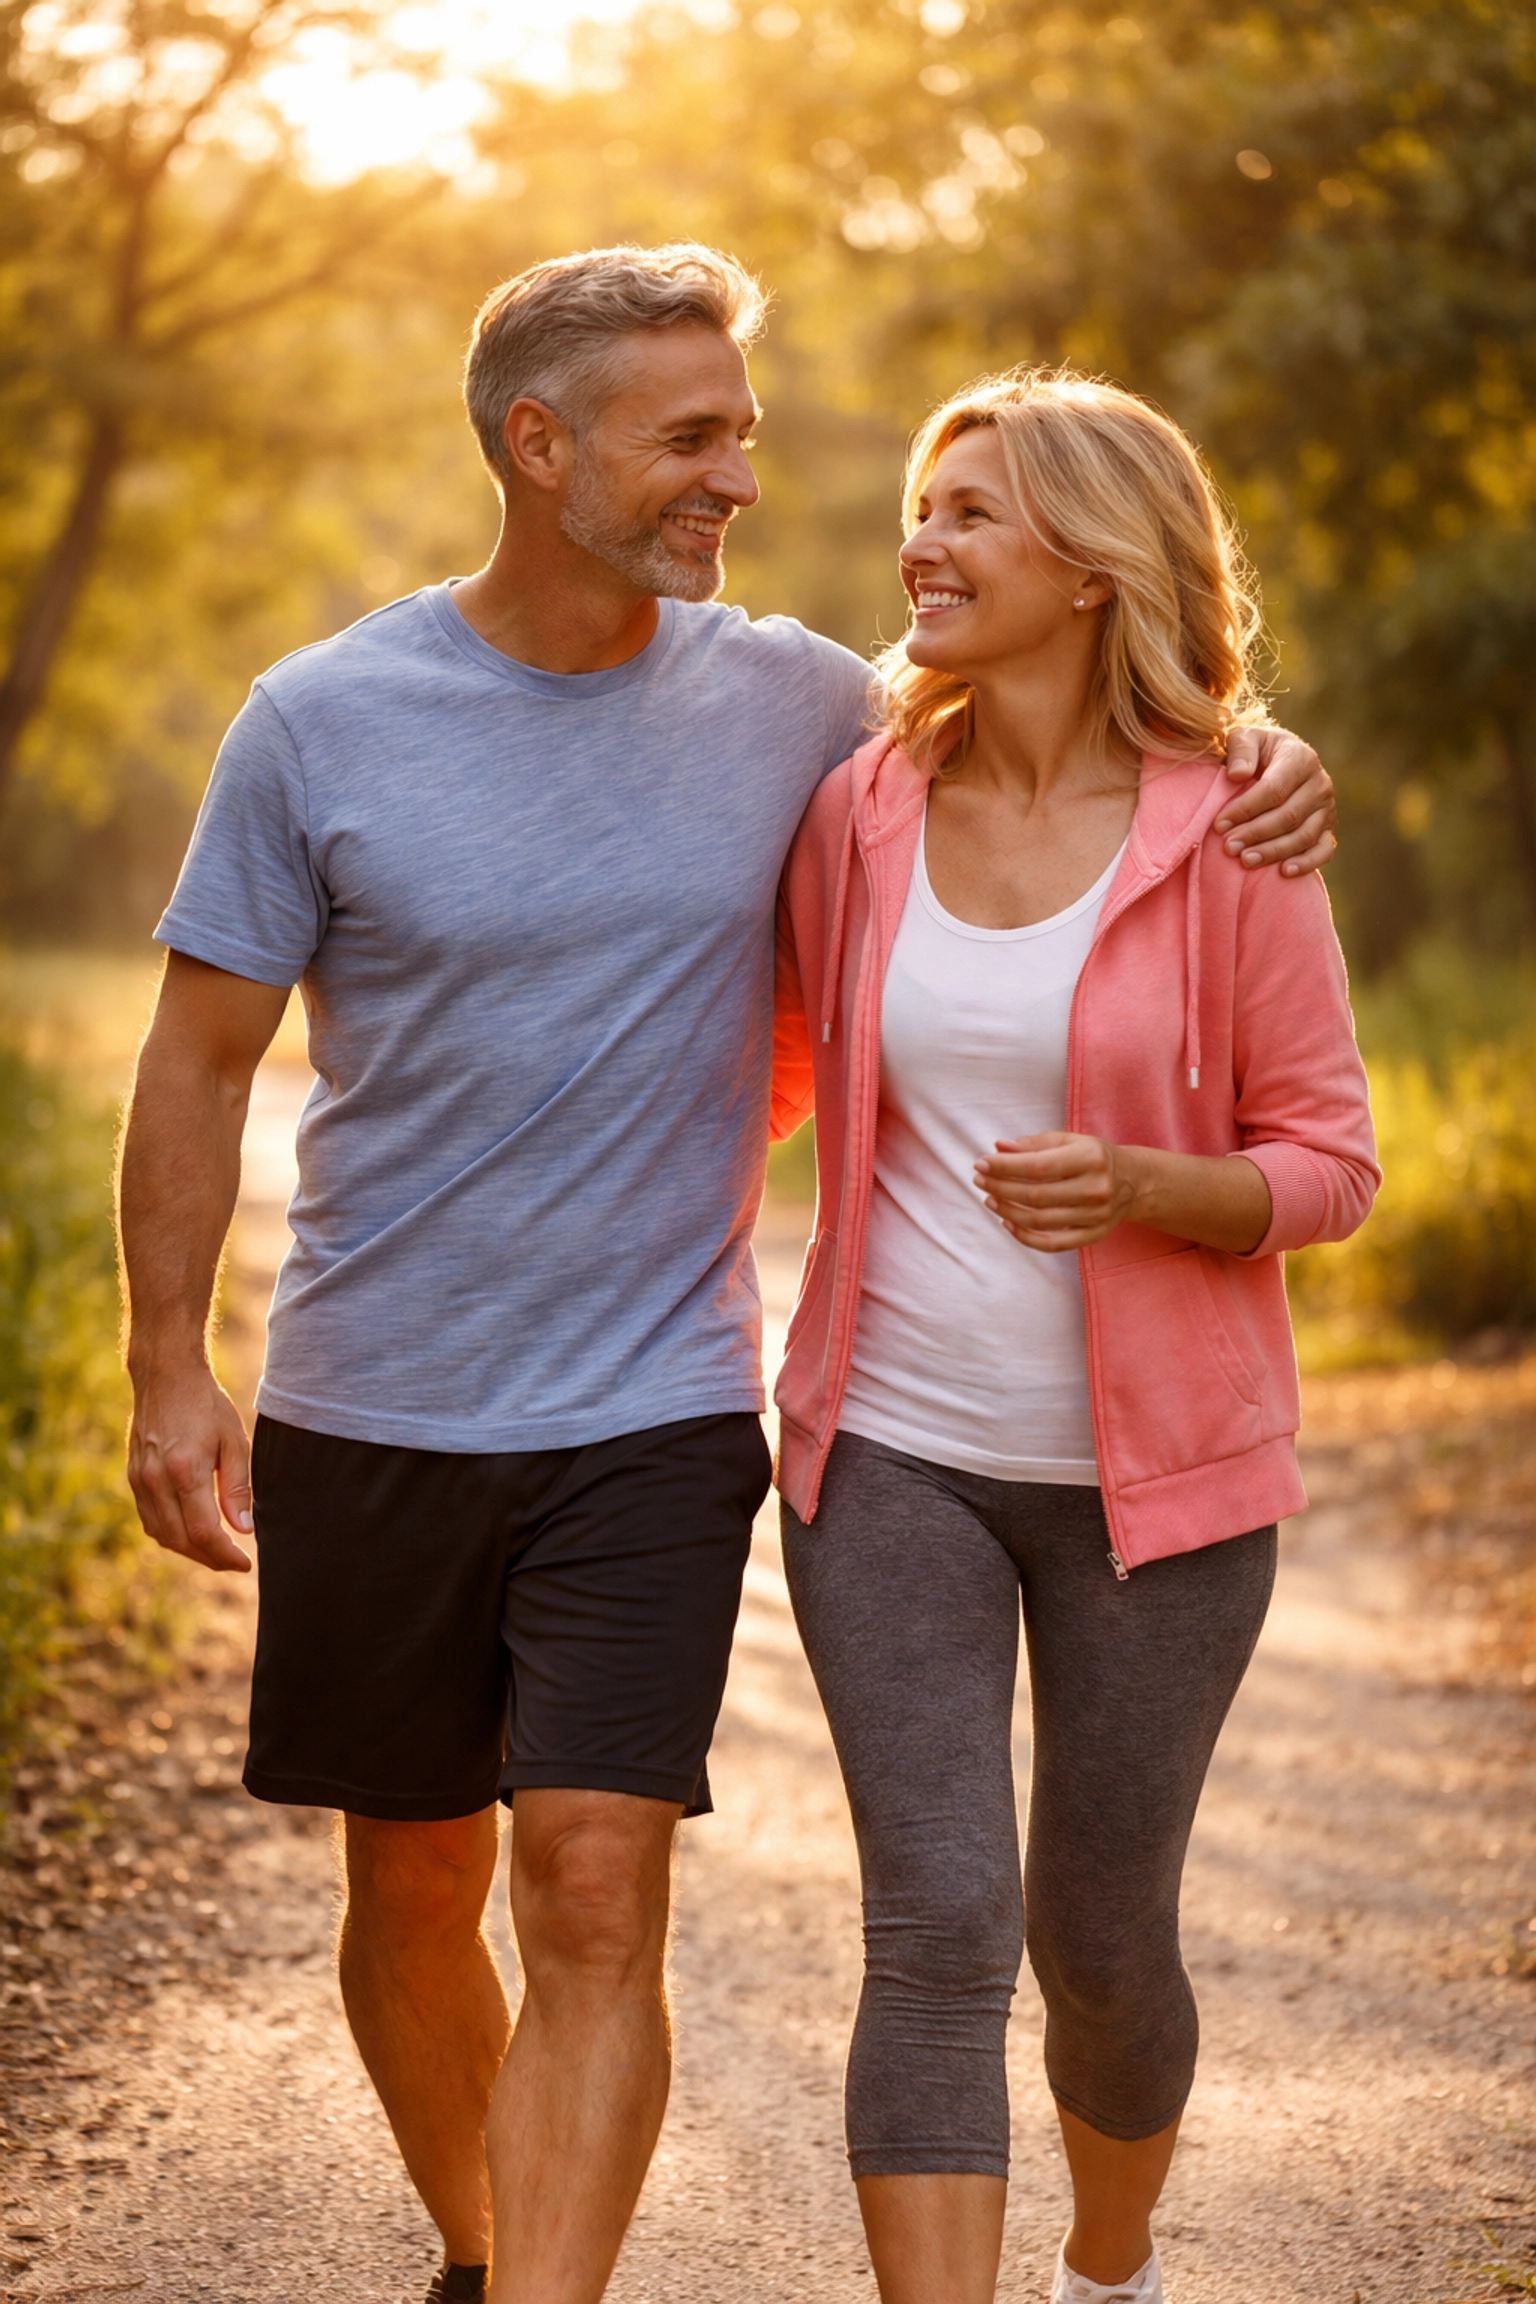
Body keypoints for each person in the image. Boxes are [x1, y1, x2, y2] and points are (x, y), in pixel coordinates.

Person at [117, 245, 1338, 2304]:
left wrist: (1265, 746)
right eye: (691, 438)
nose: (740, 482)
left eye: (742, 434)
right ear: (540, 444)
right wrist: (166, 1364)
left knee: (597, 1886)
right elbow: (195, 1056)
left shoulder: (803, 704)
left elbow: (1079, 719)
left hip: (659, 1407)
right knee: (417, 1883)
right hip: (370, 1395)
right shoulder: (318, 721)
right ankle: (482, 2248)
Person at [770, 368, 1379, 2304]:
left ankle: (1108, 2267)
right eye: (921, 505)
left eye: (972, 514)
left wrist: (1144, 1185)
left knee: (1098, 1944)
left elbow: (1332, 1165)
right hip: (890, 1454)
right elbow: (768, 1066)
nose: (918, 543)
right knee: (937, 1926)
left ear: (1094, 569)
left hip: (1167, 1498)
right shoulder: (862, 811)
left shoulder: (1234, 833)